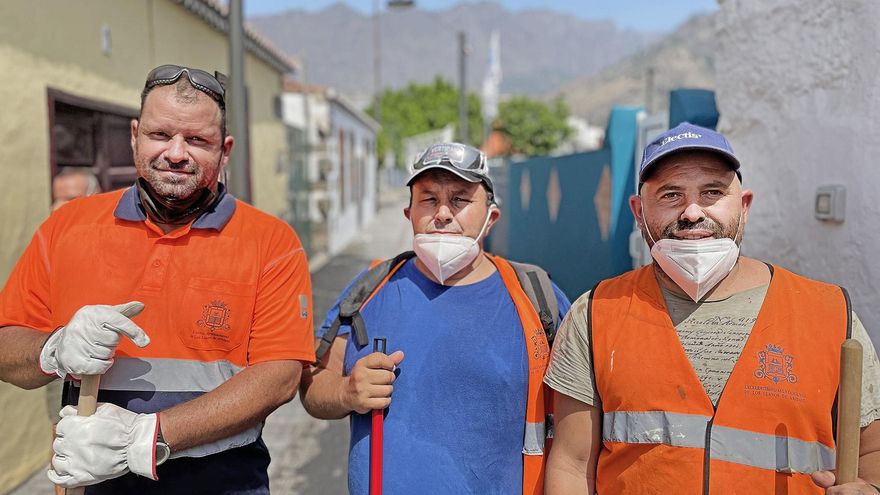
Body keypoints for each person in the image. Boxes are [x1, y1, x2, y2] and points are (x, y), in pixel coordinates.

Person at [0, 64, 315, 494]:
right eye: (160, 135)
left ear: (224, 150)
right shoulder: (67, 227)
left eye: (197, 140)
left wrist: (148, 437)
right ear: (135, 137)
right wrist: (52, 349)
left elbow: (280, 376)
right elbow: (6, 346)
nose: (176, 153)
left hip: (225, 485)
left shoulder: (271, 242)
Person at [544, 122, 880, 494]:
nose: (691, 212)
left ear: (744, 206)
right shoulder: (595, 314)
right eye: (671, 194)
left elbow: (872, 453)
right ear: (638, 212)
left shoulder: (830, 315)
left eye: (712, 192)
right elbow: (572, 465)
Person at [300, 142, 572, 494]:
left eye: (460, 199)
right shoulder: (369, 289)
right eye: (429, 199)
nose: (443, 213)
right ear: (409, 213)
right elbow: (313, 387)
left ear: (491, 217)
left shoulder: (537, 298)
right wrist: (346, 392)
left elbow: (579, 431)